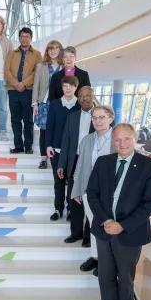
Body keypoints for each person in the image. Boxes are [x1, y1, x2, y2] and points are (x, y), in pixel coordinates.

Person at [86, 123, 151, 300]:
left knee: (126, 278)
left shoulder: (150, 166)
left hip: (130, 232)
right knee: (105, 275)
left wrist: (122, 225)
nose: (122, 143)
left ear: (135, 139)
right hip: (103, 229)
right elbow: (92, 193)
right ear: (113, 141)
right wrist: (105, 220)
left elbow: (148, 204)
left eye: (127, 138)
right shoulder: (103, 162)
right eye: (118, 139)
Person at [70, 105, 116, 276]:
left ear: (110, 118)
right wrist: (77, 189)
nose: (97, 121)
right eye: (95, 118)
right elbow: (80, 166)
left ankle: (107, 260)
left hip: (111, 192)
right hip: (90, 191)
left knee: (108, 226)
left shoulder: (117, 139)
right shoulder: (87, 140)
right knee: (93, 225)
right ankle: (95, 256)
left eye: (102, 117)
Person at [55, 86, 95, 241]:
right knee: (74, 200)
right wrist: (61, 164)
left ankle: (88, 236)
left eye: (87, 95)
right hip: (75, 162)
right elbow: (66, 142)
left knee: (90, 201)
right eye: (81, 96)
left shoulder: (100, 116)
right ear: (77, 98)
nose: (84, 98)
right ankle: (76, 233)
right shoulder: (72, 117)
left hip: (93, 162)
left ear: (93, 96)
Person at [45, 76, 80, 223]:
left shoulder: (80, 104)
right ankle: (58, 209)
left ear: (75, 87)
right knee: (58, 181)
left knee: (72, 181)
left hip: (74, 151)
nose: (68, 88)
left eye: (71, 86)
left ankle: (71, 209)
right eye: (65, 85)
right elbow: (49, 126)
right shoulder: (55, 104)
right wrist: (48, 145)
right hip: (57, 149)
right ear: (62, 87)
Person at [5, 27, 42, 154]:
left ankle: (28, 146)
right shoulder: (12, 53)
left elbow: (36, 72)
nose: (24, 39)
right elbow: (7, 71)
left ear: (31, 38)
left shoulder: (37, 54)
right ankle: (18, 146)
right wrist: (16, 84)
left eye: (27, 36)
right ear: (19, 38)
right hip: (13, 91)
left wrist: (24, 84)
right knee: (15, 119)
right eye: (22, 36)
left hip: (28, 91)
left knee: (28, 119)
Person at [33, 40, 63, 169]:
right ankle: (43, 159)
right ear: (47, 51)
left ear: (60, 50)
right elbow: (36, 86)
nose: (53, 51)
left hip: (60, 104)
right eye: (50, 49)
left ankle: (56, 158)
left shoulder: (64, 67)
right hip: (44, 104)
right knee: (44, 132)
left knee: (58, 131)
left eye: (55, 48)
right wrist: (35, 103)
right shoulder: (41, 66)